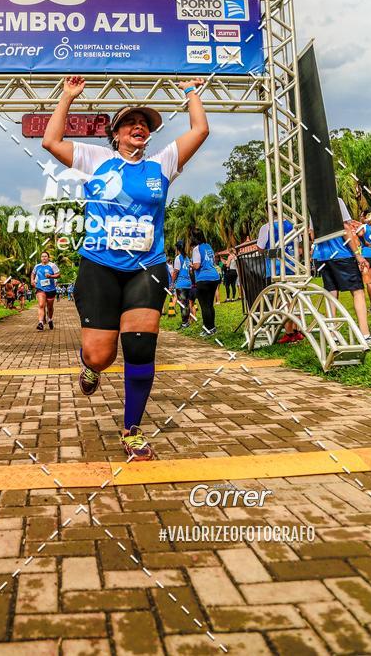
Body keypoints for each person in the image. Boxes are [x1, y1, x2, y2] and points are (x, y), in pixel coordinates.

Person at [42, 75, 209, 461]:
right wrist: (67, 96)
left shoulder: (162, 164)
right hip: (99, 266)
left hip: (146, 268)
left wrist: (191, 92)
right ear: (115, 133)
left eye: (145, 124)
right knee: (102, 355)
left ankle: (132, 429)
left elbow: (200, 129)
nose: (140, 127)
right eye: (131, 122)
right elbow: (51, 141)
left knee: (139, 348)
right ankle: (90, 367)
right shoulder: (95, 159)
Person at [311, 198, 371, 348]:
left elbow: (312, 234)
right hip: (341, 254)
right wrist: (358, 255)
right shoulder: (336, 201)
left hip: (322, 256)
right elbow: (346, 228)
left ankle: (332, 335)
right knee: (358, 291)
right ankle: (365, 335)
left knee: (331, 293)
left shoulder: (313, 202)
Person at [256, 218, 303, 344]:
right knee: (293, 300)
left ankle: (289, 332)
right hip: (293, 266)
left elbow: (260, 248)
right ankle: (297, 329)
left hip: (275, 269)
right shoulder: (292, 225)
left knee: (281, 301)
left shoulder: (266, 227)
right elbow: (299, 247)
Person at [190, 230, 220, 336]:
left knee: (204, 306)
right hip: (214, 276)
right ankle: (212, 328)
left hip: (203, 279)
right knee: (210, 304)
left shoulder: (196, 249)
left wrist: (191, 265)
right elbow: (211, 261)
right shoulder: (208, 246)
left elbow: (197, 266)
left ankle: (208, 329)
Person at [31, 251, 60, 330]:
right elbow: (33, 273)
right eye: (42, 256)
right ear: (40, 258)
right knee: (41, 305)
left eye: (45, 256)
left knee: (50, 307)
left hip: (51, 289)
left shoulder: (52, 265)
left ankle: (50, 319)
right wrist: (32, 280)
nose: (44, 258)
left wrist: (51, 276)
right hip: (40, 288)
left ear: (48, 257)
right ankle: (40, 323)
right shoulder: (37, 266)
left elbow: (58, 275)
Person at [172, 240, 193, 327]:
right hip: (188, 283)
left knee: (182, 304)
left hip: (181, 284)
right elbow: (191, 271)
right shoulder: (187, 258)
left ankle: (185, 323)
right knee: (187, 303)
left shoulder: (178, 258)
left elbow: (176, 271)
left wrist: (172, 282)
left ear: (177, 248)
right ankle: (187, 321)